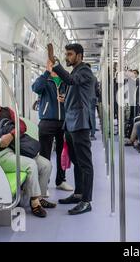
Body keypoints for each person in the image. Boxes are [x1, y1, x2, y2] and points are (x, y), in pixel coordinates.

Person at [0, 87, 55, 218]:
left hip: (16, 148)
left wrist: (11, 135)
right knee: (31, 165)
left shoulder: (7, 111)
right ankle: (35, 202)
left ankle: (39, 197)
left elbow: (22, 126)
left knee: (46, 165)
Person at [48, 43, 95, 215]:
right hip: (70, 123)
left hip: (80, 123)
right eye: (66, 54)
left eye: (69, 54)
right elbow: (74, 89)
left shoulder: (84, 71)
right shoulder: (76, 71)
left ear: (79, 55)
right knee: (76, 162)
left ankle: (86, 201)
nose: (67, 57)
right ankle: (78, 193)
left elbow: (71, 81)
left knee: (85, 164)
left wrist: (55, 62)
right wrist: (65, 98)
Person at [32, 65, 73, 192]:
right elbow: (36, 88)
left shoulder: (66, 81)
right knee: (45, 154)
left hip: (64, 121)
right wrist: (46, 72)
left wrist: (66, 100)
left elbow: (73, 97)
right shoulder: (45, 79)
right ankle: (45, 183)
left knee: (63, 153)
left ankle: (61, 181)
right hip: (46, 121)